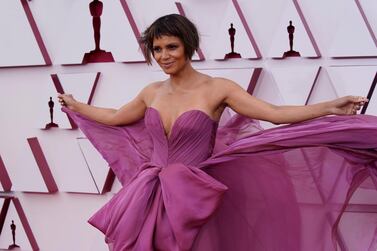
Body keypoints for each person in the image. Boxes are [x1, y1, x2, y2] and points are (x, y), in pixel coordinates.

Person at [58, 14, 377, 251]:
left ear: (189, 47)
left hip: (194, 198)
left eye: (172, 46)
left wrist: (329, 107)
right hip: (149, 196)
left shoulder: (217, 89)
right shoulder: (151, 91)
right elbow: (115, 116)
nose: (164, 56)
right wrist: (76, 105)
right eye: (157, 49)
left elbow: (275, 114)